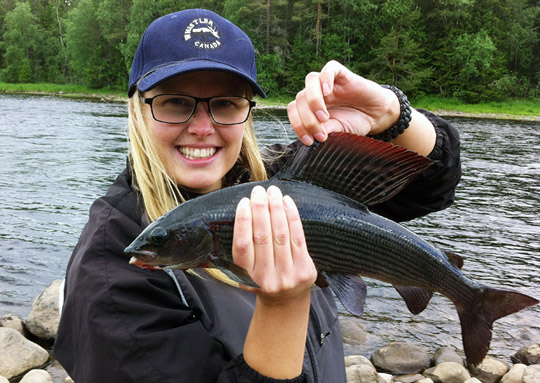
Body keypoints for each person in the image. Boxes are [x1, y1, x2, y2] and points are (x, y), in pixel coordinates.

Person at [53, 8, 461, 383]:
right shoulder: (108, 277)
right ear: (138, 109)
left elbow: (431, 186)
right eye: (175, 103)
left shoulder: (284, 181)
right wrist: (283, 307)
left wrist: (391, 116)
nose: (202, 126)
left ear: (247, 111)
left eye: (225, 104)